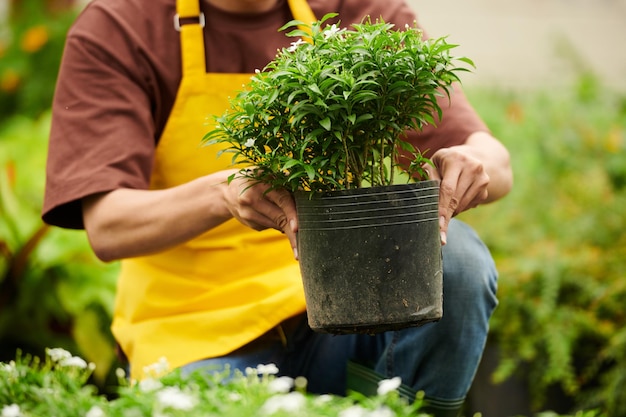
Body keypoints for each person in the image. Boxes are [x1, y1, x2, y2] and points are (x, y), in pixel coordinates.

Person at [42, 0, 513, 415]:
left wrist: (472, 163)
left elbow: (493, 159)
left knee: (461, 266)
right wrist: (223, 194)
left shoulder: (352, 10)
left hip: (348, 316)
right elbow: (108, 224)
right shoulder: (123, 25)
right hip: (197, 335)